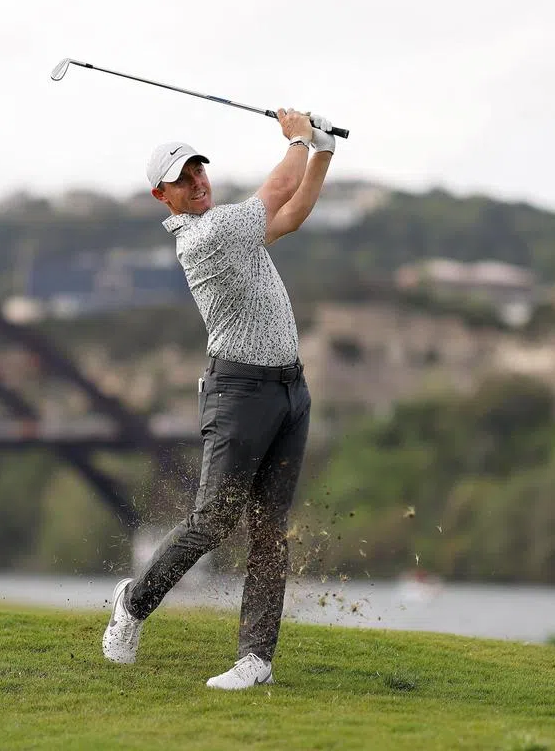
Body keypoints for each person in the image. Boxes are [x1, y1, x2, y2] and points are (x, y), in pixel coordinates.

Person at [101, 108, 336, 690]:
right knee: (212, 521)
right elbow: (280, 185)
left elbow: (294, 212)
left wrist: (323, 150)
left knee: (268, 528)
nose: (198, 181)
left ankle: (255, 660)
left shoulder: (236, 229)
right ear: (163, 195)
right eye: (184, 178)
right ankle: (133, 603)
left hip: (289, 390)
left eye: (200, 170)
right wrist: (299, 137)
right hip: (238, 393)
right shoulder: (205, 237)